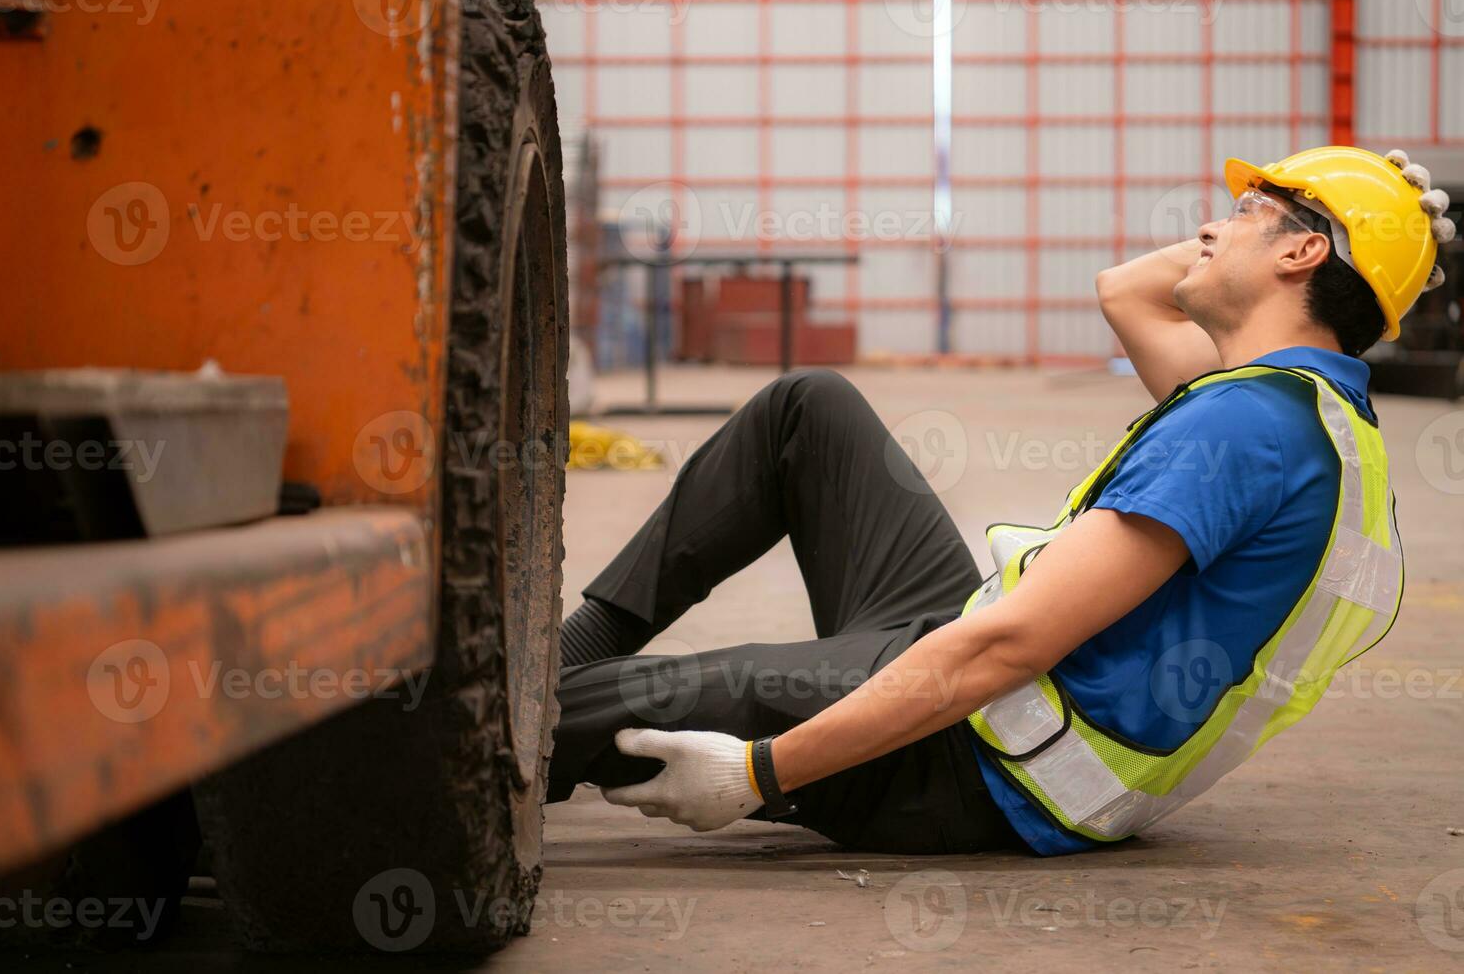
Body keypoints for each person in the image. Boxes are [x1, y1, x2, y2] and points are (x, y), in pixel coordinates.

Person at [546, 146, 1454, 856]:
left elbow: (1009, 646)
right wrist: (1345, 253)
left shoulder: (1248, 429)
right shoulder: (1290, 402)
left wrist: (759, 771)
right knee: (807, 409)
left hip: (981, 760)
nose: (1210, 227)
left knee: (588, 705)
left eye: (1244, 211)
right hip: (985, 670)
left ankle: (447, 747)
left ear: (1301, 251)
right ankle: (579, 642)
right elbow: (1127, 292)